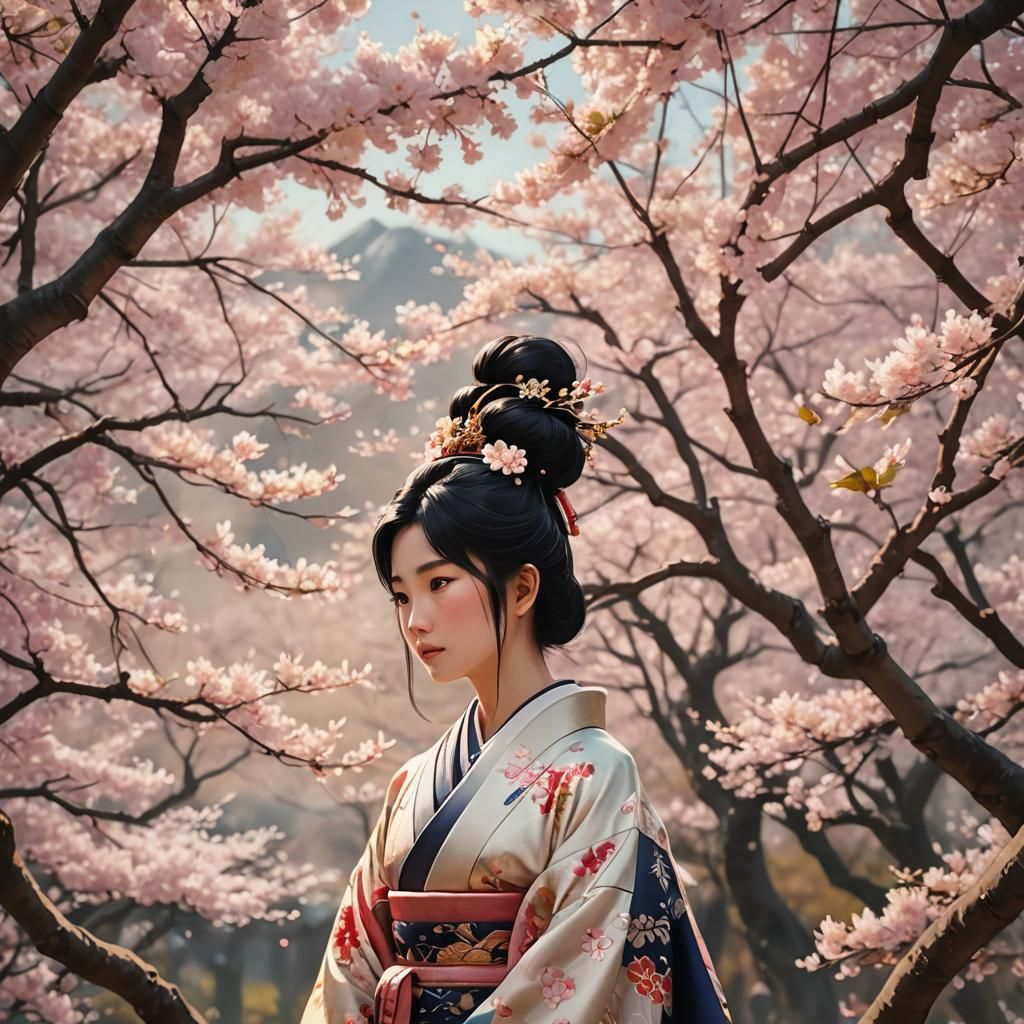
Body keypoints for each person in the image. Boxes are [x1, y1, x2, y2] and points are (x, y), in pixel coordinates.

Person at [300, 335, 732, 1024]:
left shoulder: (597, 777)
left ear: (523, 586)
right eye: (402, 594)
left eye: (440, 583)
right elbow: (349, 966)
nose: (416, 619)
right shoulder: (412, 785)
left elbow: (581, 978)